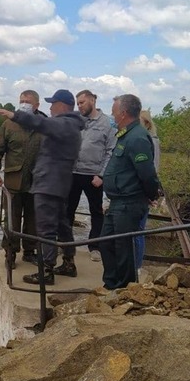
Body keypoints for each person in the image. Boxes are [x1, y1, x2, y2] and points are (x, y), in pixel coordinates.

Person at [0, 89, 84, 285]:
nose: (50, 107)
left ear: (62, 105)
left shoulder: (64, 124)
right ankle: (69, 263)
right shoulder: (71, 125)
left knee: (45, 229)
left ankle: (46, 271)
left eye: (53, 103)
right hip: (57, 183)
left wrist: (15, 115)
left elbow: (40, 123)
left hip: (48, 184)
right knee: (62, 225)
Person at [100, 94, 160, 290]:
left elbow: (147, 173)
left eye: (114, 112)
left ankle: (124, 289)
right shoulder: (125, 134)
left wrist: (151, 195)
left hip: (129, 202)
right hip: (118, 202)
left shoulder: (138, 137)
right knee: (106, 243)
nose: (112, 116)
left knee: (124, 248)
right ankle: (111, 284)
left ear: (123, 113)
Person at [0, 90, 43, 267]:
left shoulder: (44, 124)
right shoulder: (9, 125)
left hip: (37, 180)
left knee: (34, 218)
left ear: (37, 105)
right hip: (13, 179)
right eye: (21, 101)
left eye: (27, 101)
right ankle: (10, 252)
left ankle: (30, 251)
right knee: (12, 218)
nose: (23, 104)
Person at [67, 90, 117, 262]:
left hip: (93, 176)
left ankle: (95, 246)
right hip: (73, 173)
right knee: (67, 211)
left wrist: (101, 175)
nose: (79, 106)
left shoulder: (108, 123)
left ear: (93, 100)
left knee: (96, 212)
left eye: (82, 102)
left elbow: (111, 151)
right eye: (78, 103)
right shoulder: (75, 121)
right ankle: (66, 245)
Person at [134, 109, 161, 269]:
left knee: (137, 231)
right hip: (144, 190)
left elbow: (153, 169)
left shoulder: (151, 141)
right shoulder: (145, 139)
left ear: (146, 123)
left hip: (143, 192)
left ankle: (136, 266)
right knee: (136, 230)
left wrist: (151, 193)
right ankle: (134, 265)